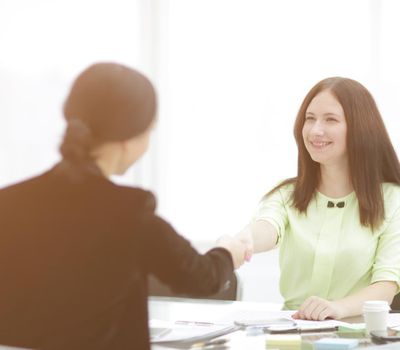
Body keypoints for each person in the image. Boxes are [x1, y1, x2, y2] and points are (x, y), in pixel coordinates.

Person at [0, 62, 247, 350]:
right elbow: (202, 279)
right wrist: (228, 252)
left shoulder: (8, 203)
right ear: (131, 139)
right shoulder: (130, 214)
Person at [235, 77, 400, 321]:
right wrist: (242, 241)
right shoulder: (286, 195)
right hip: (293, 333)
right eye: (309, 118)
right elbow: (266, 228)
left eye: (330, 119)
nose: (315, 130)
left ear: (360, 128)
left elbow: (385, 287)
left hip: (354, 333)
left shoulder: (392, 200)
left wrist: (338, 308)